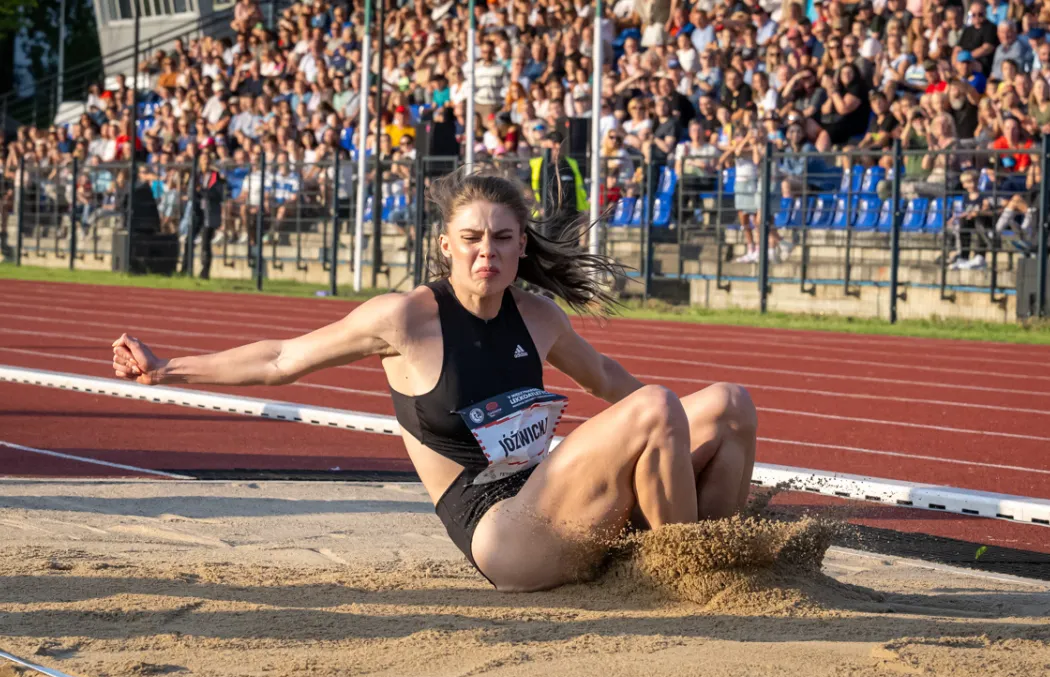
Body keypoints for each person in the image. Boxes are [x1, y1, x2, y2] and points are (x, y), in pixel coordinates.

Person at [111, 170, 757, 593]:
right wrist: (166, 368)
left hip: (556, 503)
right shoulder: (406, 319)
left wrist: (671, 435)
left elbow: (609, 379)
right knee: (657, 408)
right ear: (445, 245)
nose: (488, 252)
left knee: (730, 404)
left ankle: (719, 564)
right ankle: (689, 581)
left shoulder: (537, 315)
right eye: (472, 238)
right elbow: (283, 358)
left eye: (503, 239)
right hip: (501, 533)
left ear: (522, 245)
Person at [184, 151, 226, 280]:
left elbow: (217, 194)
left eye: (207, 159)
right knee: (189, 239)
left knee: (205, 242)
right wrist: (198, 193)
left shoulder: (216, 176)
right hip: (197, 210)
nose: (205, 162)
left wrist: (202, 191)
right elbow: (191, 192)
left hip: (210, 211)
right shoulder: (196, 176)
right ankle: (186, 267)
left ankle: (205, 270)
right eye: (203, 159)